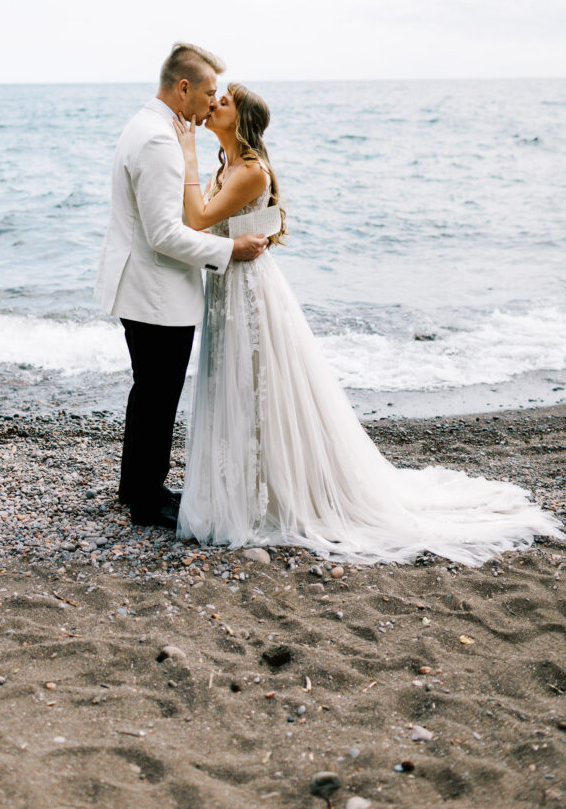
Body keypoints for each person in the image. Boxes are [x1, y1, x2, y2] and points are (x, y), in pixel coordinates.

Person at [172, 83, 563, 565]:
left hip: (249, 295)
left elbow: (197, 218)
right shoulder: (227, 165)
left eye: (223, 102)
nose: (212, 105)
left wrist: (186, 151)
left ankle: (269, 496)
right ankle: (240, 487)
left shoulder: (251, 171)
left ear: (242, 120)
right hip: (228, 288)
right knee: (235, 386)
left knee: (258, 389)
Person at [94, 45, 267, 529]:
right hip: (156, 292)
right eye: (209, 92)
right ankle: (147, 501)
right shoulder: (158, 140)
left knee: (148, 391)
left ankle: (136, 486)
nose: (213, 103)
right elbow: (164, 234)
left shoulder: (151, 127)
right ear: (183, 88)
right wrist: (230, 251)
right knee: (158, 394)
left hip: (147, 287)